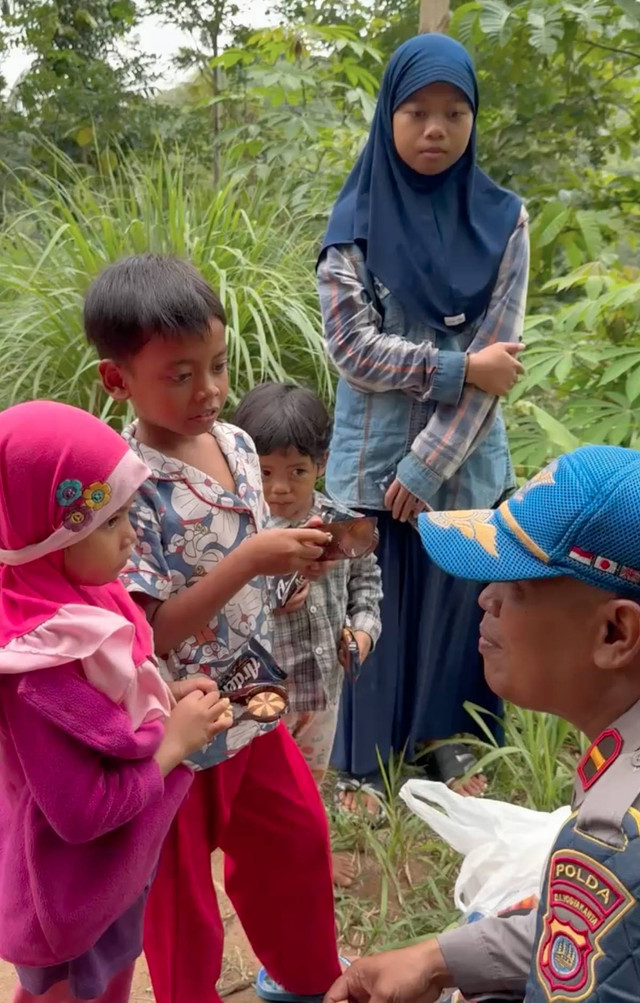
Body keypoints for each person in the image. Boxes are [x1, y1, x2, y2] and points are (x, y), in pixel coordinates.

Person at [83, 255, 343, 1003]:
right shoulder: (127, 487)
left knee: (296, 841)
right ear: (118, 381)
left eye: (219, 366)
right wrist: (254, 560)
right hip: (179, 724)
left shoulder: (235, 444)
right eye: (180, 374)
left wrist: (293, 569)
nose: (209, 391)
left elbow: (259, 560)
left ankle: (306, 979)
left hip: (253, 701)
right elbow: (153, 627)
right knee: (180, 896)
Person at [326, 443, 640, 1003]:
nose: (486, 600)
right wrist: (438, 958)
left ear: (615, 634)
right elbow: (600, 942)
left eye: (517, 588)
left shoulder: (616, 837)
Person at [317, 32, 529, 812]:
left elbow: (499, 360)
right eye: (416, 111)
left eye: (454, 112)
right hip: (368, 464)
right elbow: (351, 349)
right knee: (373, 598)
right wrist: (457, 366)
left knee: (458, 599)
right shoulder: (355, 223)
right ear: (388, 116)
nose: (435, 128)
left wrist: (427, 464)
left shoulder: (504, 220)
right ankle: (364, 768)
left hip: (464, 463)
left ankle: (453, 748)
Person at [0, 401, 232, 1003]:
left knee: (109, 983)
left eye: (129, 512)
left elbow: (106, 712)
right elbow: (79, 813)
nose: (132, 533)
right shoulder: (37, 667)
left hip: (107, 877)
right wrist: (174, 742)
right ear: (47, 536)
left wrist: (163, 699)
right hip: (65, 891)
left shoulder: (82, 599)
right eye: (108, 521)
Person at [234, 382, 383, 887]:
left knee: (310, 781)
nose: (279, 487)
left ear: (320, 463)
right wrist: (275, 591)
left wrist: (362, 633)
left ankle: (309, 855)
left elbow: (366, 583)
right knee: (266, 787)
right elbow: (228, 601)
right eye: (265, 471)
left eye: (295, 471)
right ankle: (265, 866)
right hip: (262, 694)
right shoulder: (240, 531)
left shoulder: (340, 523)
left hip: (322, 689)